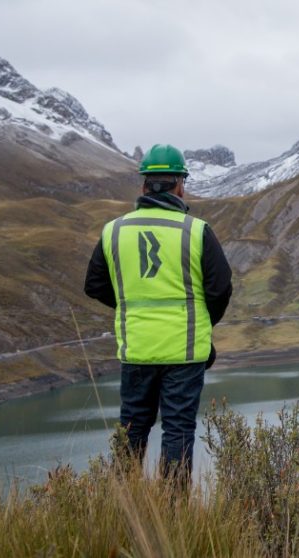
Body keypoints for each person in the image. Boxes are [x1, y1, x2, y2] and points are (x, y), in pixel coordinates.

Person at [84, 144, 232, 484]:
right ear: (180, 184)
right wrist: (201, 326)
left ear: (143, 185)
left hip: (136, 348)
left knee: (132, 426)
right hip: (185, 351)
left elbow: (94, 285)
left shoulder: (114, 231)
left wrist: (130, 306)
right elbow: (220, 288)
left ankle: (124, 505)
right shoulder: (196, 231)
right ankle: (173, 512)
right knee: (178, 429)